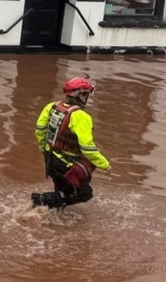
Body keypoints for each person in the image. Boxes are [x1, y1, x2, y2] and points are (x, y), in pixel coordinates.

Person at [31, 77, 110, 209]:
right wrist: (105, 164)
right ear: (82, 95)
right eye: (87, 94)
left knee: (62, 193)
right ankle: (40, 200)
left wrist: (44, 151)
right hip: (67, 164)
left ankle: (51, 219)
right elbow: (87, 148)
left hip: (50, 158)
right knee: (85, 194)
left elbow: (40, 131)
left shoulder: (51, 107)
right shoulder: (81, 116)